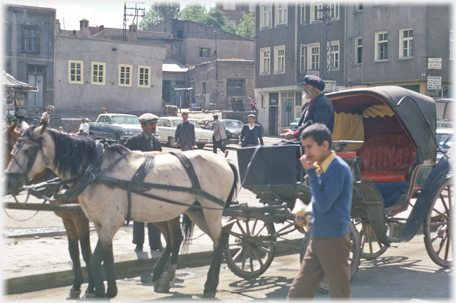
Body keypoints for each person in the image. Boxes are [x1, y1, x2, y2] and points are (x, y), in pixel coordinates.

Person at [287, 123, 352, 299]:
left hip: (335, 242)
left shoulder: (337, 168)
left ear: (324, 145)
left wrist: (312, 175)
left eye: (309, 147)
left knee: (339, 296)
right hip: (318, 240)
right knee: (297, 295)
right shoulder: (321, 166)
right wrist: (306, 217)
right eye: (304, 147)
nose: (306, 153)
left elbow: (324, 204)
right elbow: (320, 205)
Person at [125, 113, 163, 252]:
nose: (153, 127)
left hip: (154, 184)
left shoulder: (157, 142)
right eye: (151, 124)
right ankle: (139, 243)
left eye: (154, 124)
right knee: (139, 215)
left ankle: (155, 243)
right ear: (143, 126)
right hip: (138, 183)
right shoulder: (133, 141)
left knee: (154, 214)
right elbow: (127, 163)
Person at [281, 75, 334, 141]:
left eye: (306, 87)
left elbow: (316, 125)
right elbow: (303, 124)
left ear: (312, 89)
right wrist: (292, 131)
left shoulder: (323, 103)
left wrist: (295, 133)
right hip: (307, 142)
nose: (304, 89)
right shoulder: (311, 103)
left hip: (317, 145)